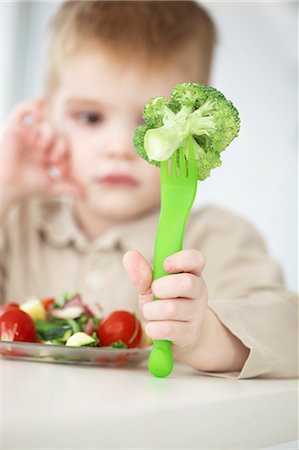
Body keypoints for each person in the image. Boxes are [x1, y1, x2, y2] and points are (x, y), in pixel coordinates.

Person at [0, 1, 297, 378]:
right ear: (46, 117)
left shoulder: (217, 237)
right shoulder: (16, 221)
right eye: (90, 117)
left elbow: (291, 329)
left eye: (149, 123)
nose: (119, 147)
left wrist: (207, 337)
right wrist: (5, 188)